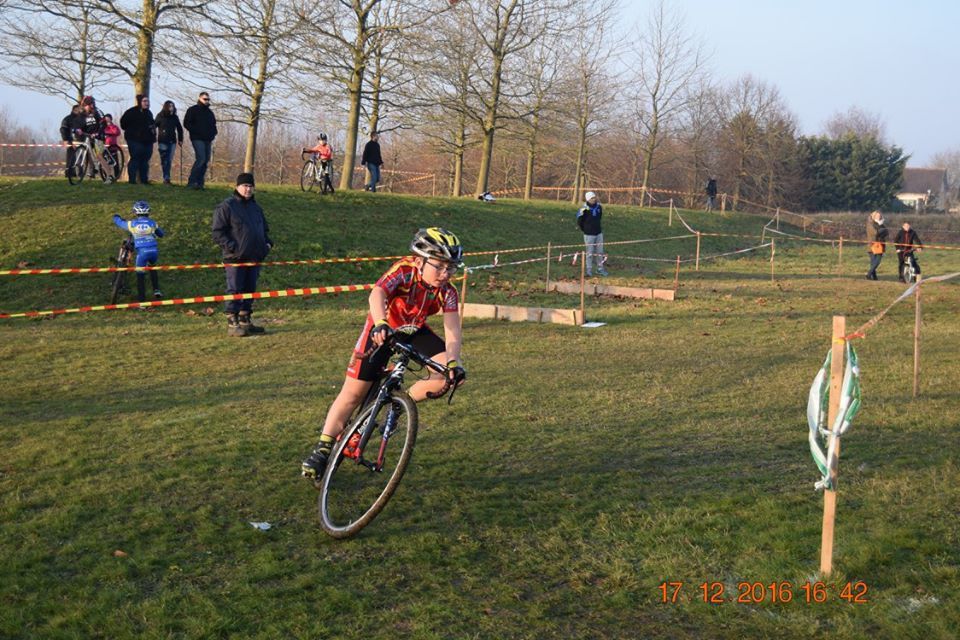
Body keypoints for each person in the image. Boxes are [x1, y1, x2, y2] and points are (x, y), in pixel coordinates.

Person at [301, 227, 467, 484]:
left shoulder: (448, 291)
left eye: (451, 268)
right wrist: (380, 322)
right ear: (421, 260)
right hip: (384, 328)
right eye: (440, 266)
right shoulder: (403, 270)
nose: (446, 274)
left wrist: (454, 362)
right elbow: (377, 293)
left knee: (447, 377)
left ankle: (400, 403)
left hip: (413, 330)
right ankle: (322, 448)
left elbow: (453, 330)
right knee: (353, 393)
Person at [211, 173, 272, 337]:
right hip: (235, 258)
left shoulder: (256, 208)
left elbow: (264, 230)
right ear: (237, 187)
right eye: (245, 186)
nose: (248, 189)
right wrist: (232, 248)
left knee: (250, 289)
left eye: (251, 186)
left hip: (255, 257)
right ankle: (232, 323)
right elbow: (217, 232)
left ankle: (246, 321)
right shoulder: (227, 206)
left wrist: (267, 245)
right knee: (235, 289)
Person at [113, 200, 165, 302]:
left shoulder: (132, 224)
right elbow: (161, 234)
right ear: (148, 212)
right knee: (152, 266)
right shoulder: (153, 223)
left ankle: (142, 302)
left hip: (142, 253)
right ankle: (156, 290)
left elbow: (119, 222)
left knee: (140, 275)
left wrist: (116, 216)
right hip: (154, 251)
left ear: (135, 212)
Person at [183, 92, 217, 190]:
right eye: (205, 99)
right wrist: (196, 131)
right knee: (201, 159)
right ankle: (192, 182)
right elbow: (186, 123)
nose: (207, 101)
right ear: (200, 98)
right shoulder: (192, 110)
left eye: (208, 99)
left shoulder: (210, 113)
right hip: (197, 138)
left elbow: (214, 125)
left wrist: (213, 134)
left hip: (208, 139)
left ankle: (200, 183)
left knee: (206, 161)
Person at [120, 94, 156, 184]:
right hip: (134, 139)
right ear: (140, 102)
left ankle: (144, 180)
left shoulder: (149, 113)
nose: (147, 103)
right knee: (135, 158)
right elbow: (123, 124)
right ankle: (132, 180)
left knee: (145, 160)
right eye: (144, 101)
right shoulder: (131, 112)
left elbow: (152, 124)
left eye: (148, 101)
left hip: (147, 140)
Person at [74, 95, 109, 179]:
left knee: (99, 156)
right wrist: (77, 129)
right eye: (89, 105)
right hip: (88, 136)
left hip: (98, 136)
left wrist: (97, 133)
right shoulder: (82, 114)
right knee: (88, 152)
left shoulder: (97, 112)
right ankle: (93, 169)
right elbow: (77, 124)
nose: (91, 106)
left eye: (92, 104)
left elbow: (103, 123)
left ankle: (109, 175)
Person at [577, 191, 608, 276]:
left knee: (600, 252)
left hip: (598, 233)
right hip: (589, 234)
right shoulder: (583, 209)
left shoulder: (599, 207)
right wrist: (585, 229)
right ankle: (589, 270)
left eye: (594, 197)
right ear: (588, 199)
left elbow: (599, 217)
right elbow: (579, 221)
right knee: (589, 253)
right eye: (592, 198)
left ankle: (600, 269)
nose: (594, 199)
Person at [155, 100, 184, 185]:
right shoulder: (160, 116)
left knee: (169, 160)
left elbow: (179, 129)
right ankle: (166, 178)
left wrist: (180, 139)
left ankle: (167, 177)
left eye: (173, 106)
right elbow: (154, 125)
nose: (171, 108)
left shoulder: (175, 117)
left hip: (172, 141)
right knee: (165, 160)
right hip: (163, 140)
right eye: (170, 106)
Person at [59, 104, 83, 178]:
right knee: (71, 158)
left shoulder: (81, 119)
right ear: (74, 110)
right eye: (79, 110)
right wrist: (65, 140)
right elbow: (63, 129)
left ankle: (80, 174)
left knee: (80, 158)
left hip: (81, 141)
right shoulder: (67, 119)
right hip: (70, 140)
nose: (80, 111)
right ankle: (69, 173)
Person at [865, 210, 888, 280]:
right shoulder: (870, 224)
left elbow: (886, 233)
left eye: (879, 216)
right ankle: (870, 274)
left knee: (876, 261)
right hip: (872, 245)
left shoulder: (882, 224)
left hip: (881, 245)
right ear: (873, 216)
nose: (879, 217)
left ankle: (872, 276)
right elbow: (874, 233)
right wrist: (881, 231)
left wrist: (881, 231)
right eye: (877, 216)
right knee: (874, 262)